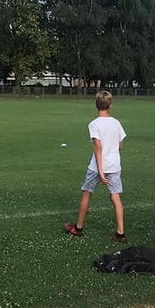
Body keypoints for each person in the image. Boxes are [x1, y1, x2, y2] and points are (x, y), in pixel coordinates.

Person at [64, 90, 127, 242]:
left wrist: (100, 170)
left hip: (97, 167)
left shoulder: (94, 124)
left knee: (87, 192)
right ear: (110, 105)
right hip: (114, 166)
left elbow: (98, 147)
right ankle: (120, 233)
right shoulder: (116, 123)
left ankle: (78, 228)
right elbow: (120, 146)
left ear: (96, 105)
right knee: (115, 196)